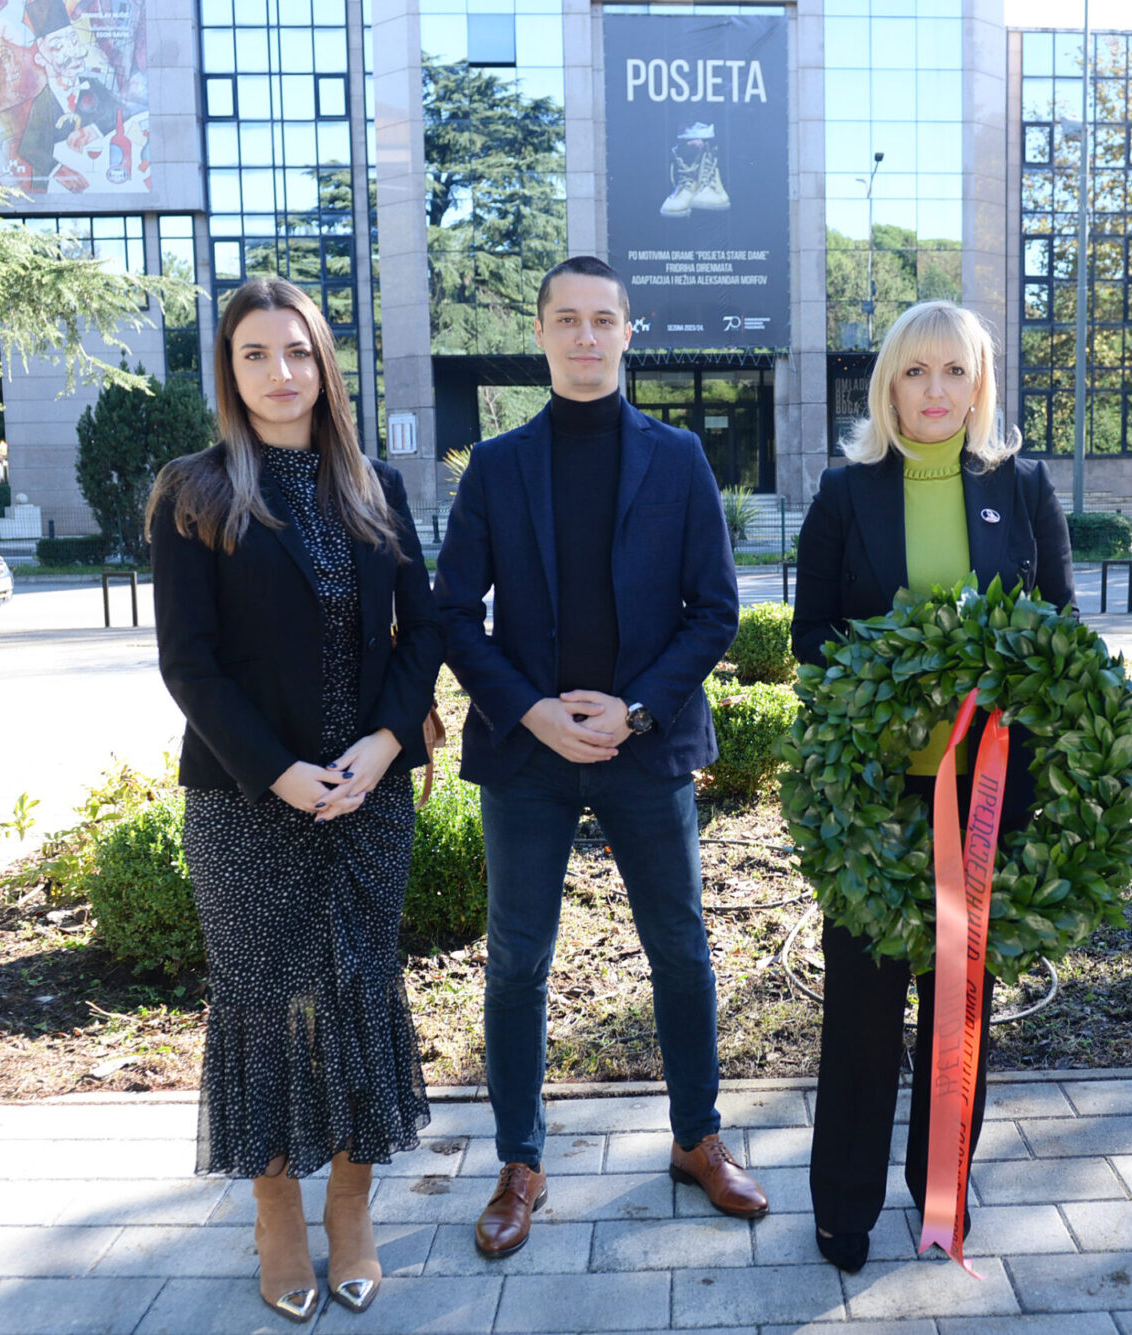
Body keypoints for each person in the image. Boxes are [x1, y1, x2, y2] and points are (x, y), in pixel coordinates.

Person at [435, 255, 766, 1260]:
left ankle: (697, 1138)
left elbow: (713, 610)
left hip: (641, 746)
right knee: (518, 962)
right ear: (540, 333)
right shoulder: (497, 466)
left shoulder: (678, 458)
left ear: (629, 331)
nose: (585, 336)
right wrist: (533, 713)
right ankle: (520, 1162)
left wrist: (635, 710)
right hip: (528, 753)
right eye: (567, 320)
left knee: (681, 949)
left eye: (603, 320)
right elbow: (454, 612)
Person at [148, 277, 442, 1322]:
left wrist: (382, 745)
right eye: (255, 354)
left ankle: (350, 1206)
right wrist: (277, 770)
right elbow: (189, 663)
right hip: (245, 799)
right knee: (262, 1006)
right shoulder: (192, 492)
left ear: (325, 363)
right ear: (229, 373)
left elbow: (423, 631)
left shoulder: (374, 486)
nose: (280, 372)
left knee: (361, 992)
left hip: (368, 799)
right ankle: (276, 1210)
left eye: (298, 351)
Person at [791, 300, 1075, 1273]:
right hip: (873, 805)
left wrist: (994, 668)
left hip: (985, 796)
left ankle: (940, 1193)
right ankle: (843, 1207)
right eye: (915, 371)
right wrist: (901, 668)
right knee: (860, 1014)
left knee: (959, 1008)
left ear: (979, 384)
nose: (935, 390)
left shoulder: (1021, 488)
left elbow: (1059, 630)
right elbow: (810, 639)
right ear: (889, 386)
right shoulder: (843, 494)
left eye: (954, 370)